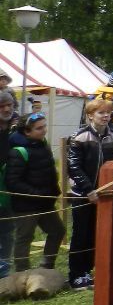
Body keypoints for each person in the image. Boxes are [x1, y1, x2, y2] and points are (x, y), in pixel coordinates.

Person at [67, 97, 113, 289]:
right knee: (80, 234)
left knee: (96, 232)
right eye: (101, 112)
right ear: (90, 115)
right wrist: (89, 190)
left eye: (108, 112)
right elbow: (74, 167)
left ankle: (88, 270)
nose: (106, 116)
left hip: (106, 192)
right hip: (82, 193)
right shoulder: (80, 137)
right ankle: (76, 274)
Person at [7, 112, 65, 271]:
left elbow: (48, 171)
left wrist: (54, 190)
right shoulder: (18, 151)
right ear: (27, 131)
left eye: (44, 126)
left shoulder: (42, 143)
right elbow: (13, 182)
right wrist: (36, 193)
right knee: (24, 237)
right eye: (39, 128)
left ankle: (46, 267)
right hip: (26, 205)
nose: (44, 130)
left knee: (57, 231)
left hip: (45, 202)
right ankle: (22, 272)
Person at [0, 90, 15, 277]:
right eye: (2, 106)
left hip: (10, 186)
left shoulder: (17, 128)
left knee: (7, 229)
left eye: (9, 105)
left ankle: (4, 266)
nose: (6, 109)